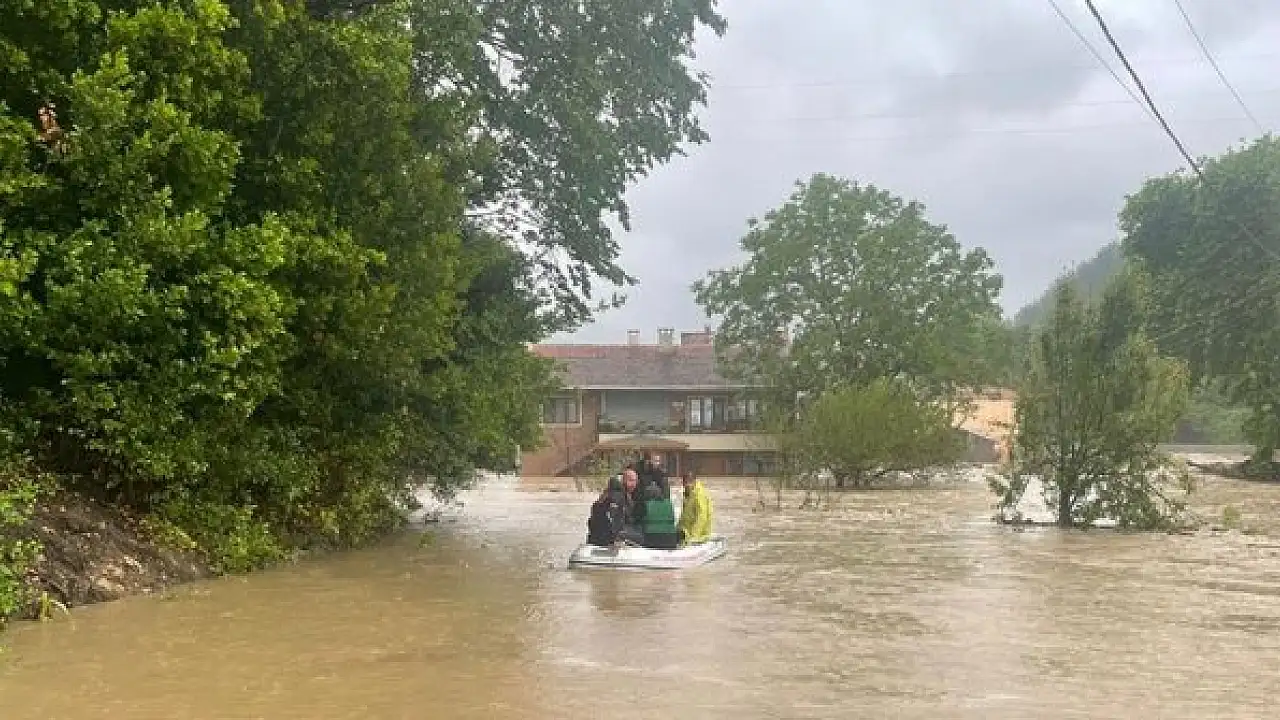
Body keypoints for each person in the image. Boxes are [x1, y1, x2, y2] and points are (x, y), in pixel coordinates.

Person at [638, 479, 679, 550]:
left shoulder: (644, 504)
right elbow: (672, 519)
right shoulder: (668, 503)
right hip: (671, 539)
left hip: (651, 539)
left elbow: (636, 520)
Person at [586, 477, 625, 546]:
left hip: (594, 535)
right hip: (607, 537)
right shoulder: (618, 496)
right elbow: (614, 517)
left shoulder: (603, 496)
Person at [676, 472, 713, 545]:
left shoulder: (699, 495)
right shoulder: (688, 494)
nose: (686, 485)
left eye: (689, 482)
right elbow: (684, 516)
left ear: (694, 482)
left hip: (698, 536)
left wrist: (694, 536)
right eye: (685, 483)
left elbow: (702, 517)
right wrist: (677, 529)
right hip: (686, 533)